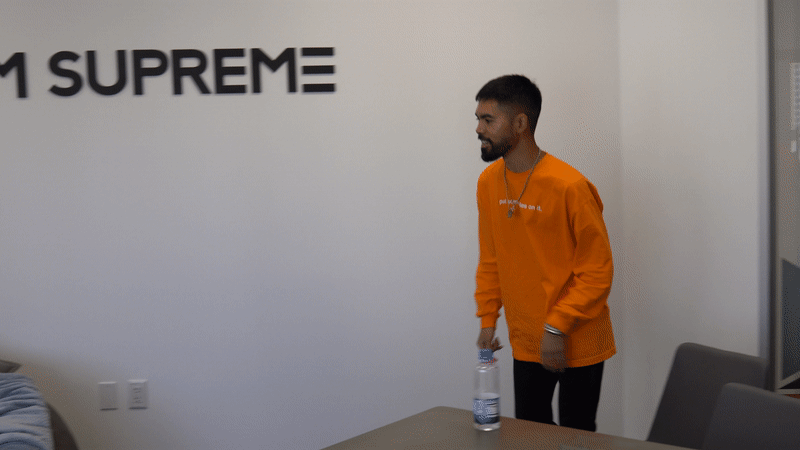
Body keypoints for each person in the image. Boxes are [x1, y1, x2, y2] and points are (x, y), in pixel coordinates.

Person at [472, 74, 615, 432]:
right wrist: (488, 319)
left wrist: (556, 327)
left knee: (575, 437)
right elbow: (491, 259)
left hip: (577, 337)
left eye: (488, 120)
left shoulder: (570, 186)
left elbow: (597, 271)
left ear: (520, 123)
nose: (478, 129)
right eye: (478, 119)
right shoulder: (488, 183)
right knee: (530, 435)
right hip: (527, 339)